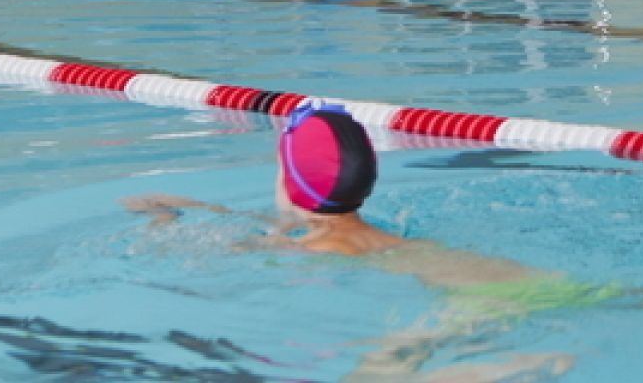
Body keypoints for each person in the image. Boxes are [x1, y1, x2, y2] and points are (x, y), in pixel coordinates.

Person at [125, 104, 606, 381]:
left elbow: (195, 253)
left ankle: (515, 365)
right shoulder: (369, 231)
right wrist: (215, 211)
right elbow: (282, 227)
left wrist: (164, 221)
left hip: (484, 300)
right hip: (522, 282)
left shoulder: (312, 248)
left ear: (292, 184)